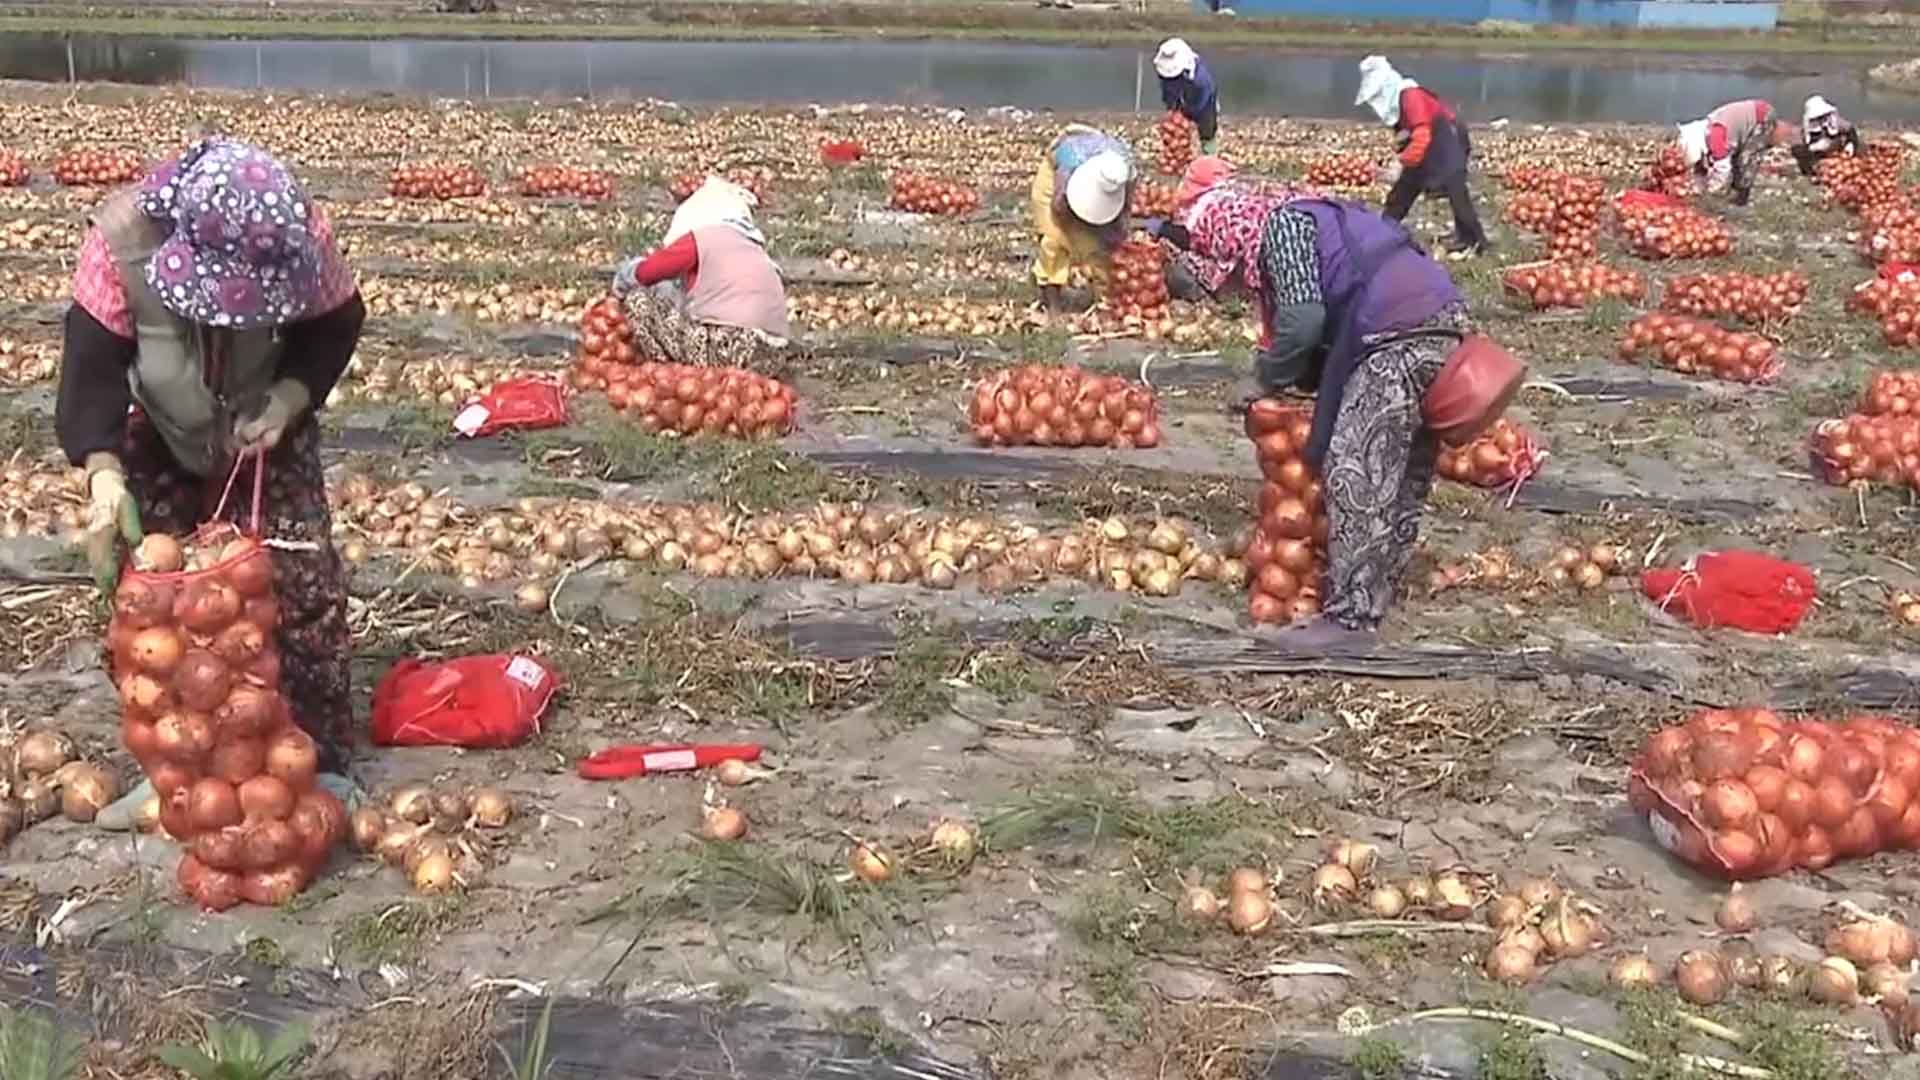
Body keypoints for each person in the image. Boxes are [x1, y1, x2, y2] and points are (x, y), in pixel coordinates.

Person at [59, 136, 365, 821]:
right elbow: (91, 369)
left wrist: (288, 399)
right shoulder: (121, 241)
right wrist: (104, 477)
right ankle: (176, 772)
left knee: (302, 582)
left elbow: (337, 324)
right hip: (161, 426)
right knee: (154, 601)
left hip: (264, 419)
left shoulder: (301, 237)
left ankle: (315, 758)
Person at [1148, 158, 1470, 648]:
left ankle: (1349, 622)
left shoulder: (1283, 228)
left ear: (1229, 232)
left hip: (1397, 328)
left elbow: (1303, 319)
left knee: (1354, 466)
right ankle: (1377, 587)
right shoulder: (1312, 214)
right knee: (1404, 465)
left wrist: (1265, 379)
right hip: (1439, 316)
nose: (1231, 278)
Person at [611, 177, 790, 368]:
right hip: (771, 357)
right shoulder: (751, 246)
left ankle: (669, 371)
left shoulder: (701, 238)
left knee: (638, 300)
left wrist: (620, 284)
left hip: (728, 348)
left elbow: (646, 273)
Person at [1354, 55, 1488, 257]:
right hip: (1429, 140)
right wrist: (1399, 150)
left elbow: (1422, 135)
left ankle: (1475, 241)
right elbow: (1409, 132)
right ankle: (1385, 227)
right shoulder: (1398, 102)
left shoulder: (1410, 96)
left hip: (1447, 137)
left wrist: (1401, 163)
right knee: (1407, 185)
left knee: (1456, 189)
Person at [1029, 124, 1136, 311]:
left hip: (1100, 190)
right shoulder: (1070, 159)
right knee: (1054, 240)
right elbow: (1058, 207)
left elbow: (1126, 205)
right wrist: (1078, 229)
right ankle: (1051, 297)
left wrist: (1118, 228)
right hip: (1053, 186)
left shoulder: (1124, 169)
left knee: (1103, 244)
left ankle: (1105, 297)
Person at [1676, 99, 1791, 206]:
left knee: (1747, 159)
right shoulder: (1705, 132)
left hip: (1761, 116)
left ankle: (1742, 195)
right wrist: (1698, 188)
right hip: (1750, 116)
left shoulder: (1716, 137)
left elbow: (1723, 169)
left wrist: (1711, 191)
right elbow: (1700, 166)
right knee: (1734, 158)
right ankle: (1735, 188)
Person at [1154, 38, 1220, 155]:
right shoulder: (1165, 72)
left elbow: (1203, 100)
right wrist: (1173, 110)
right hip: (1177, 92)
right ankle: (1179, 155)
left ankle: (1209, 156)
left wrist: (1188, 116)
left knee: (1207, 128)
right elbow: (1167, 91)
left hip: (1205, 102)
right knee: (1174, 131)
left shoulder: (1200, 80)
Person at [1793, 95, 1861, 177]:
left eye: (1823, 116)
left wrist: (1850, 144)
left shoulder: (1835, 121)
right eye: (1818, 117)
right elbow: (1802, 147)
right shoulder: (1807, 130)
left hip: (1837, 151)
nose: (1822, 120)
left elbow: (1850, 130)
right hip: (1819, 156)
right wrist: (1814, 148)